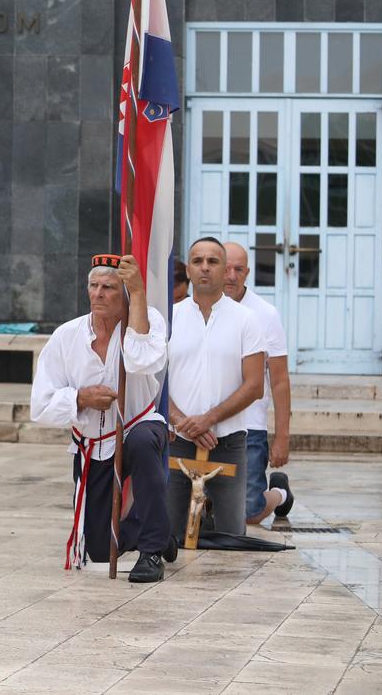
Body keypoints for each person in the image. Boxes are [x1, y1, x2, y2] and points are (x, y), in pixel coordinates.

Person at [30, 254, 174, 582]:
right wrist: (81, 398)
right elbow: (39, 405)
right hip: (93, 444)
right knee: (98, 548)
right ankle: (161, 530)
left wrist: (138, 295)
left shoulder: (148, 321)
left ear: (124, 291)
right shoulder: (66, 336)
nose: (99, 294)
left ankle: (152, 551)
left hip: (139, 422)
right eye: (93, 286)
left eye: (109, 287)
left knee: (140, 442)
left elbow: (141, 361)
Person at [167, 237, 265, 542]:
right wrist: (185, 422)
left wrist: (207, 419)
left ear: (225, 270)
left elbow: (254, 386)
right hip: (177, 439)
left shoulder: (247, 320)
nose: (205, 268)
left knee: (230, 536)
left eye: (213, 261)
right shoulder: (169, 317)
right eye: (197, 261)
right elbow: (155, 381)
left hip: (228, 440)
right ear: (189, 270)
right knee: (170, 535)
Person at [223, 242, 293, 524]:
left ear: (247, 272)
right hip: (205, 425)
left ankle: (280, 493)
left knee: (248, 514)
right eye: (225, 267)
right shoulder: (195, 310)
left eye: (238, 269)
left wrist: (282, 438)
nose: (231, 275)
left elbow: (279, 380)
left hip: (249, 425)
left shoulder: (265, 314)